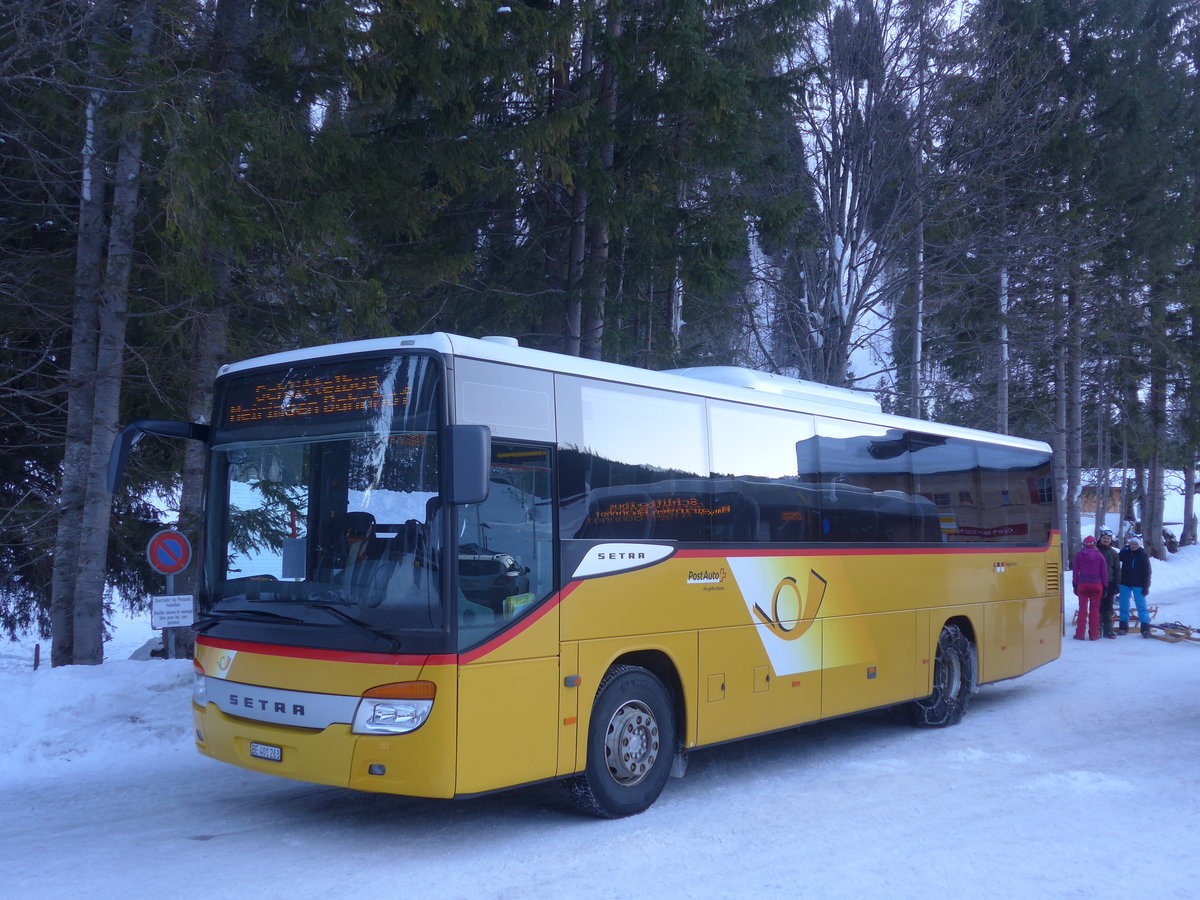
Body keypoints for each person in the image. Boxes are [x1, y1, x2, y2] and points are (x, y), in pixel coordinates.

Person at [1071, 535, 1108, 641]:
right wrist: (1105, 586)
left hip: (1083, 585)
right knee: (1095, 610)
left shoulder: (1079, 555)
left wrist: (1075, 584)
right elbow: (1104, 573)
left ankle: (1080, 634)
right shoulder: (1100, 556)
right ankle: (1094, 635)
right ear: (1094, 544)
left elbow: (1075, 572)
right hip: (1097, 585)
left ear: (1084, 544)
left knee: (1082, 610)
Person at [1117, 533, 1152, 637]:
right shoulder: (1125, 553)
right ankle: (1123, 627)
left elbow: (1147, 572)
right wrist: (1124, 549)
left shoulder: (1143, 555)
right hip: (1124, 583)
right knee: (1124, 605)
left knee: (1141, 606)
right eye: (1132, 544)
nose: (1133, 546)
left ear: (1139, 545)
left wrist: (1146, 586)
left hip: (1139, 584)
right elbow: (1118, 560)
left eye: (1135, 544)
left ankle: (1145, 628)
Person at [1095, 528, 1120, 638]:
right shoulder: (1094, 551)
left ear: (1111, 540)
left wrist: (1117, 584)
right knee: (1097, 606)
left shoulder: (1114, 553)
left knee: (1108, 606)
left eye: (1108, 538)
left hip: (1109, 583)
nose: (1106, 540)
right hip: (1097, 583)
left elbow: (1117, 569)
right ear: (1100, 539)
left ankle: (1108, 630)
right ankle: (1097, 628)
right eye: (1104, 538)